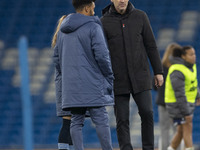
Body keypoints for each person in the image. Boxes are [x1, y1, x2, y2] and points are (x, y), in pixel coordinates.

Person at [101, 0, 164, 150]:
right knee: (122, 119)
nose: (122, 0)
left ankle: (148, 148)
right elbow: (101, 53)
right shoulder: (103, 22)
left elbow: (151, 45)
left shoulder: (140, 16)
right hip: (117, 79)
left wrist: (158, 71)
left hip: (140, 76)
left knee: (147, 113)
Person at [53, 0, 115, 150]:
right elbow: (102, 55)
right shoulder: (93, 26)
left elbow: (56, 58)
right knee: (101, 120)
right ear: (87, 8)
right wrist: (109, 76)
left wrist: (66, 76)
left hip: (71, 85)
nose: (94, 9)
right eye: (93, 6)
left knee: (76, 121)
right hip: (92, 82)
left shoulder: (62, 30)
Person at [165, 46, 200, 150]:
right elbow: (179, 93)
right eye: (191, 54)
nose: (194, 57)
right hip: (177, 104)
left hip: (187, 102)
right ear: (183, 56)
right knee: (187, 126)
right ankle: (189, 147)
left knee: (181, 130)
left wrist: (198, 95)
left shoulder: (191, 66)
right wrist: (186, 112)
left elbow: (193, 82)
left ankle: (171, 148)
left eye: (194, 54)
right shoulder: (177, 70)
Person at [154, 43, 182, 150]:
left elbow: (154, 85)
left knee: (164, 130)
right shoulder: (180, 67)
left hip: (162, 102)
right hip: (176, 103)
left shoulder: (160, 67)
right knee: (177, 130)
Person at [52, 15, 73, 150]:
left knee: (70, 124)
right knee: (68, 123)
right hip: (67, 88)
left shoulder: (59, 42)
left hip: (64, 88)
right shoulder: (65, 43)